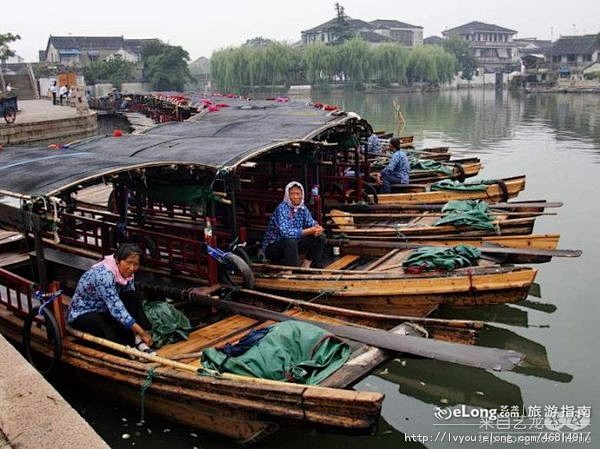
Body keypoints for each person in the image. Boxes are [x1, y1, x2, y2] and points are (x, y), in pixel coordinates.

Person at [67, 244, 155, 354]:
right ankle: (125, 350)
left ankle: (138, 340)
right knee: (104, 327)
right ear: (118, 260)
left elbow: (130, 298)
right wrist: (141, 332)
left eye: (135, 264)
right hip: (84, 313)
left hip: (104, 309)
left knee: (133, 297)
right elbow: (117, 309)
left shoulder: (128, 273)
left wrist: (142, 328)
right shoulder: (104, 276)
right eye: (128, 263)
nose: (132, 268)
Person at [262, 181, 325, 268]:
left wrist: (317, 228)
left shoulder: (302, 208)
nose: (295, 197)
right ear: (288, 195)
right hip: (274, 248)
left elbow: (311, 222)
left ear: (302, 195)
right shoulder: (282, 208)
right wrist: (309, 230)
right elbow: (285, 233)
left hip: (294, 245)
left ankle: (308, 265)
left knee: (320, 237)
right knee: (290, 240)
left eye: (298, 194)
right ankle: (291, 270)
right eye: (292, 194)